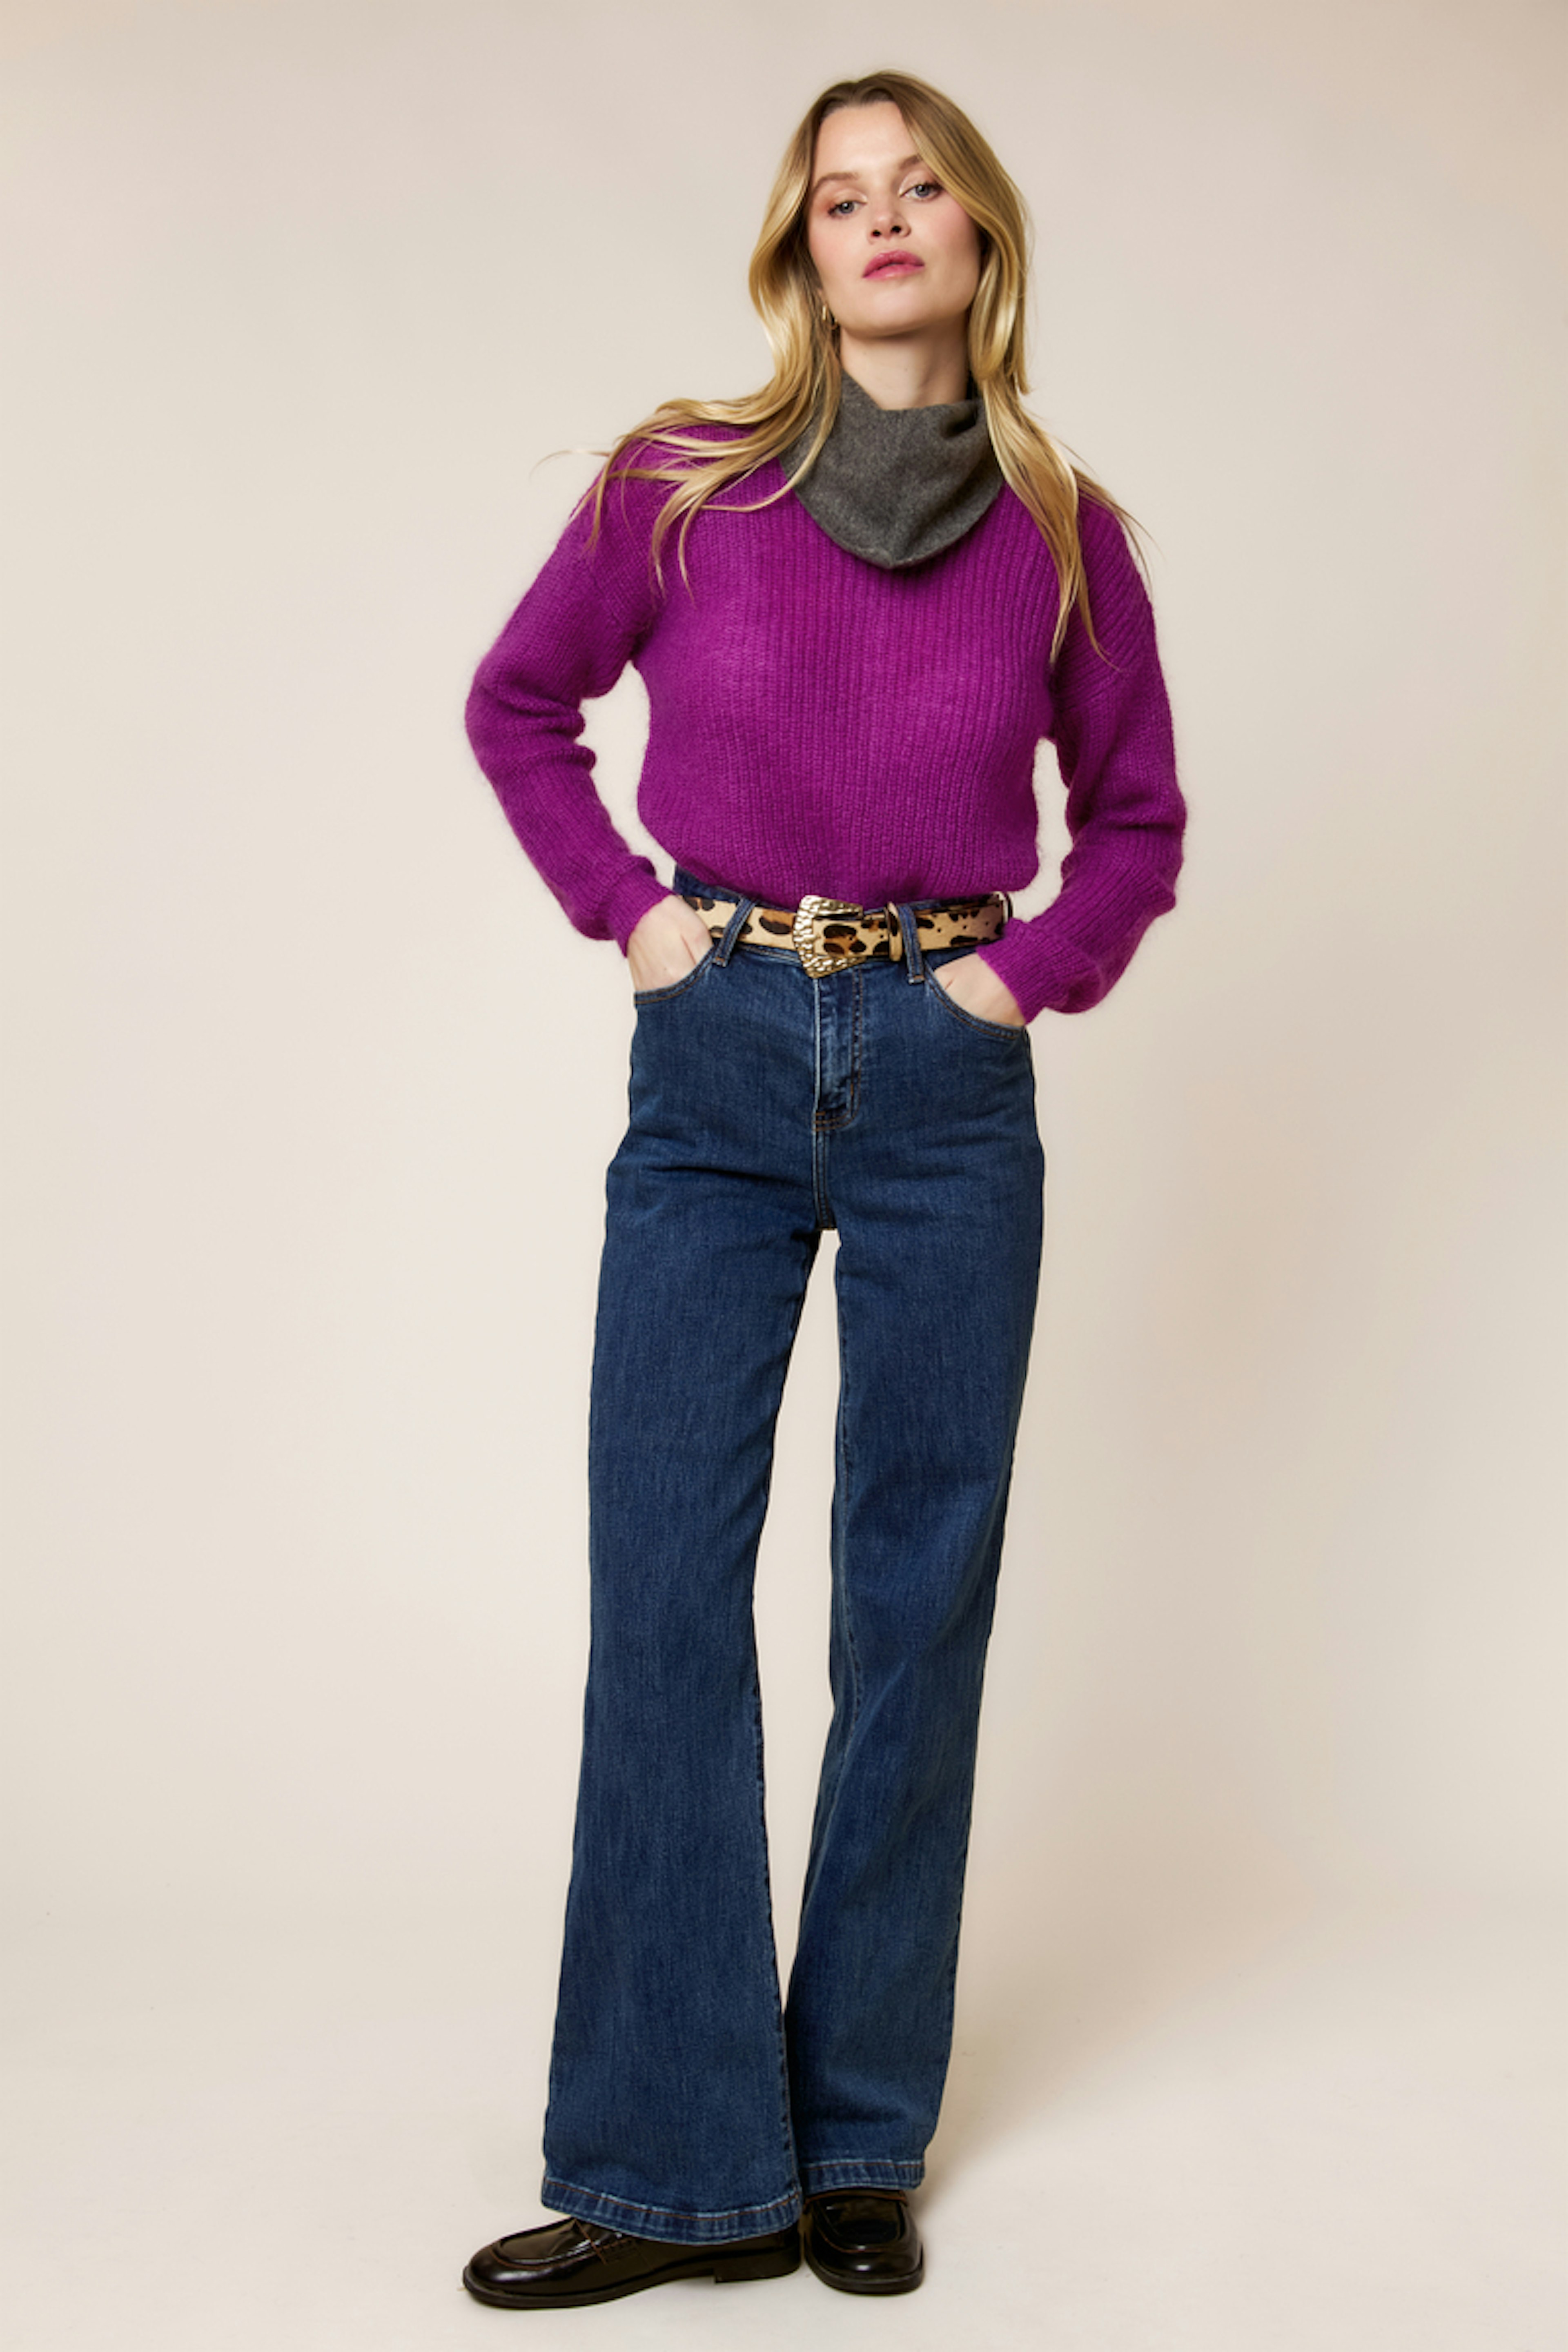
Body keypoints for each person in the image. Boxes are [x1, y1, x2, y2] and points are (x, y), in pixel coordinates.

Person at [458, 68, 1185, 2310]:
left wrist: (1015, 984)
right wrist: (639, 922)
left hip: (951, 1087)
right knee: (668, 1584)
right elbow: (517, 706)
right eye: (839, 196)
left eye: (919, 186)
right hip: (720, 1059)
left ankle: (858, 2133)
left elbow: (1138, 823)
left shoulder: (1065, 529)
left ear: (979, 234)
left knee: (914, 1598)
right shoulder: (685, 484)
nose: (881, 220)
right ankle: (678, 2169)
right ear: (799, 250)